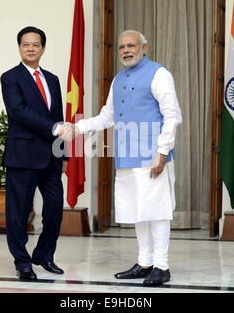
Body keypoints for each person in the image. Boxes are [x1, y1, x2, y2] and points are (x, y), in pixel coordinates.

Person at [57, 30, 182, 287]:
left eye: (131, 45)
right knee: (139, 211)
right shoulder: (118, 79)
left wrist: (162, 152)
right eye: (122, 46)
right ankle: (145, 262)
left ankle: (162, 265)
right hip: (126, 156)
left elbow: (172, 116)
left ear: (144, 48)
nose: (126, 50)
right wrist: (77, 127)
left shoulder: (159, 74)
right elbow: (107, 116)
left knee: (157, 212)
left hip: (152, 156)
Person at [0, 26, 68, 281]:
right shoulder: (10, 77)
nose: (31, 48)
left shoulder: (52, 79)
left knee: (55, 207)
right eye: (26, 44)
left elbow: (59, 117)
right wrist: (52, 128)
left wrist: (63, 155)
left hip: (51, 157)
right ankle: (22, 261)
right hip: (23, 155)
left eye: (36, 44)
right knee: (18, 213)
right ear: (19, 48)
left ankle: (44, 254)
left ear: (43, 48)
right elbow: (18, 112)